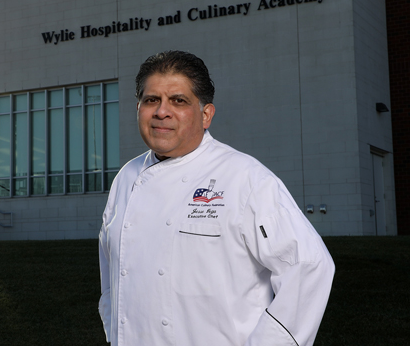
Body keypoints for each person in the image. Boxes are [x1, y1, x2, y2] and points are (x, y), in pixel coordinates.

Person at [98, 50, 335, 346]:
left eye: (178, 101)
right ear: (138, 108)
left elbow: (309, 266)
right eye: (151, 100)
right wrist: (112, 325)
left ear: (206, 114)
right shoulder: (126, 178)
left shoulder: (245, 178)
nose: (161, 112)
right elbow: (111, 268)